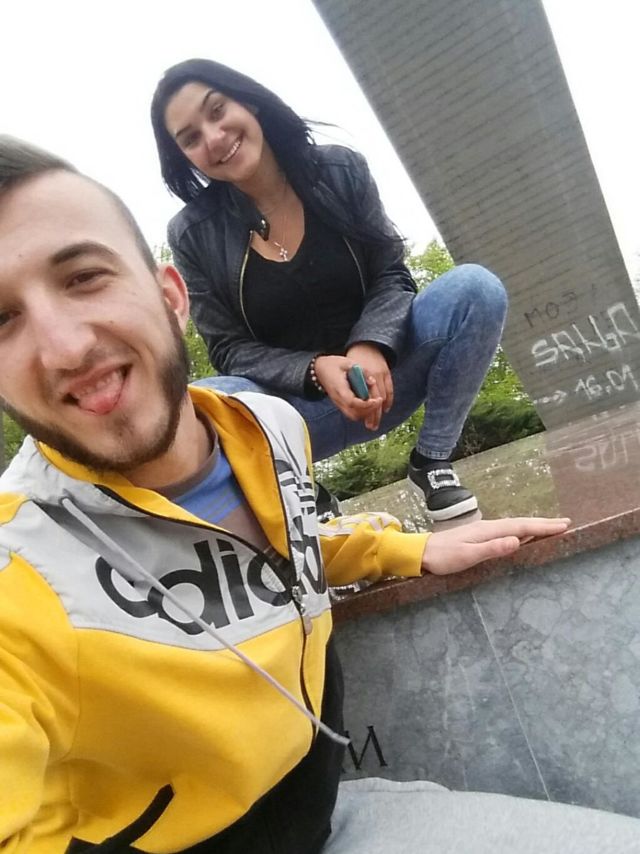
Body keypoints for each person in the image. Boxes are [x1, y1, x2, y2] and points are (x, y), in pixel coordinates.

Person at [0, 136, 637, 854]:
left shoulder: (268, 429)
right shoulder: (17, 574)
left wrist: (405, 550)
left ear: (170, 296)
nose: (64, 348)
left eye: (84, 277)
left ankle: (432, 461)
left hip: (328, 813)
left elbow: (271, 548)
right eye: (0, 319)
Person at [150, 58, 509, 523]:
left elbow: (391, 273)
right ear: (183, 157)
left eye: (217, 110)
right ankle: (301, 491)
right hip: (296, 418)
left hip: (389, 378)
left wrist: (370, 346)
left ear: (249, 102)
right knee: (207, 398)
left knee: (475, 287)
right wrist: (315, 369)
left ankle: (433, 461)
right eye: (190, 138)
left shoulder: (340, 170)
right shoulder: (192, 233)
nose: (214, 138)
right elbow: (228, 349)